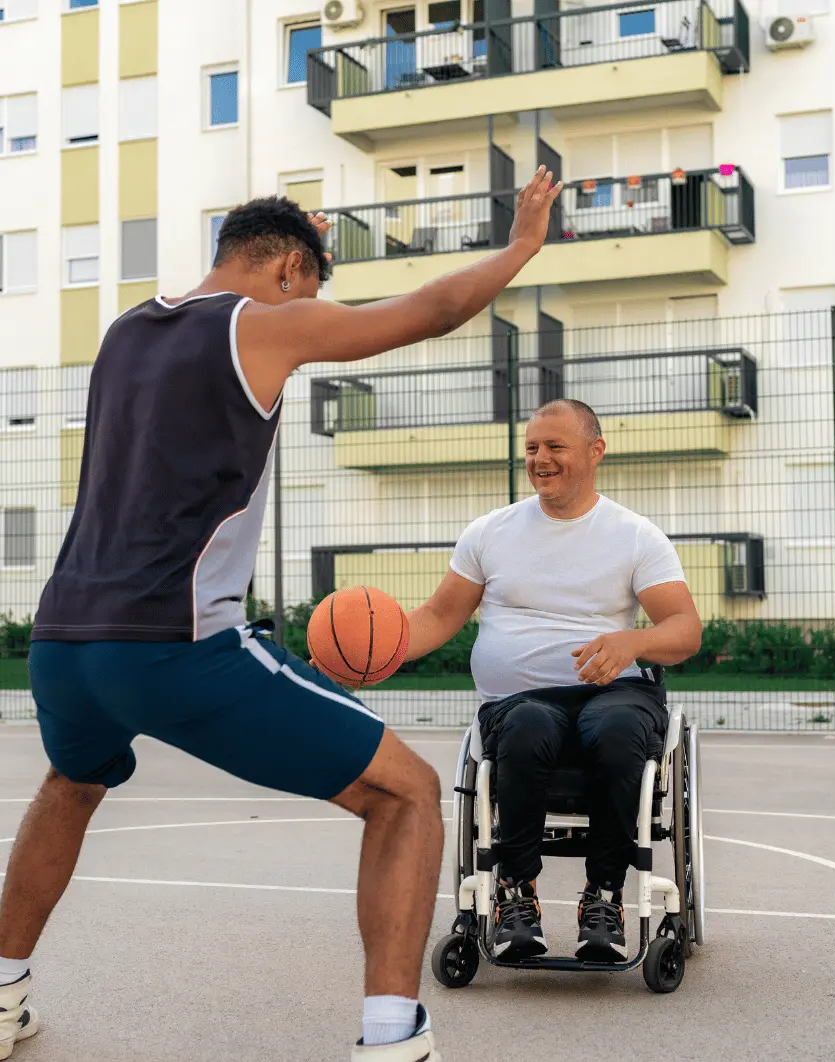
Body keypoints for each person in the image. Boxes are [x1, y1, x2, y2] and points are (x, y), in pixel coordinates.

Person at [0, 169, 562, 1062]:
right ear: (292, 268)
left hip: (64, 638)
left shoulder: (124, 335)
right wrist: (522, 246)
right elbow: (428, 311)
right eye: (315, 283)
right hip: (175, 642)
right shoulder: (259, 322)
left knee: (71, 786)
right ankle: (392, 1039)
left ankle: (0, 996)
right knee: (406, 793)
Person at [405, 399, 702, 963]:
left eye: (555, 446)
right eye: (532, 448)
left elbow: (685, 629)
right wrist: (372, 655)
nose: (540, 459)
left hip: (611, 694)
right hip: (519, 703)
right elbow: (439, 617)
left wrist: (631, 642)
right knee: (523, 727)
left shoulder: (634, 535)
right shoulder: (490, 532)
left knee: (618, 734)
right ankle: (516, 899)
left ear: (595, 451)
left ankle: (605, 899)